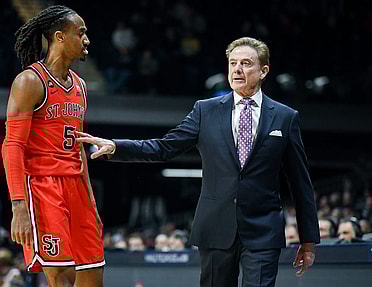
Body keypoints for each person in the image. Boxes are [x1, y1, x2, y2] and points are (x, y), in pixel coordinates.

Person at [76, 37, 320, 287]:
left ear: (263, 70)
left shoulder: (285, 117)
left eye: (246, 63)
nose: (237, 69)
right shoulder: (205, 110)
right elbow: (165, 147)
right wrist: (118, 147)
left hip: (263, 230)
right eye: (233, 63)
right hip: (215, 227)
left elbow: (300, 181)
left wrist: (308, 240)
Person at [1, 5, 104, 287]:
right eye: (80, 33)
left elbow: (79, 147)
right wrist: (18, 207)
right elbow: (12, 146)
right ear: (59, 37)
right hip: (44, 187)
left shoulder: (81, 86)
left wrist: (91, 202)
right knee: (63, 278)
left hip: (77, 188)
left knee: (93, 274)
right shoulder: (30, 82)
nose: (87, 40)